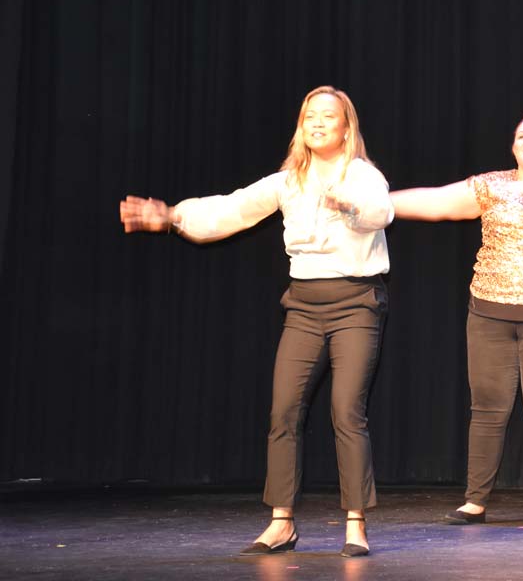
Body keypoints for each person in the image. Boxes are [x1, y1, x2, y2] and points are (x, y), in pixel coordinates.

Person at [118, 86, 393, 558]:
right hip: (303, 305)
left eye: (328, 116)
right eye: (309, 116)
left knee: (347, 411)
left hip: (356, 302)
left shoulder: (363, 176)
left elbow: (381, 211)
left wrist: (348, 205)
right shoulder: (288, 181)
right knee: (284, 410)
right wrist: (172, 216)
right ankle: (281, 522)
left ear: (347, 128)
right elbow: (231, 210)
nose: (317, 123)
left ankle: (355, 523)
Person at [386, 114, 523, 527]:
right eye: (522, 135)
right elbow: (437, 202)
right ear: (513, 146)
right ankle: (475, 501)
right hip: (489, 315)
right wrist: (378, 201)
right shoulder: (493, 184)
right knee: (487, 409)